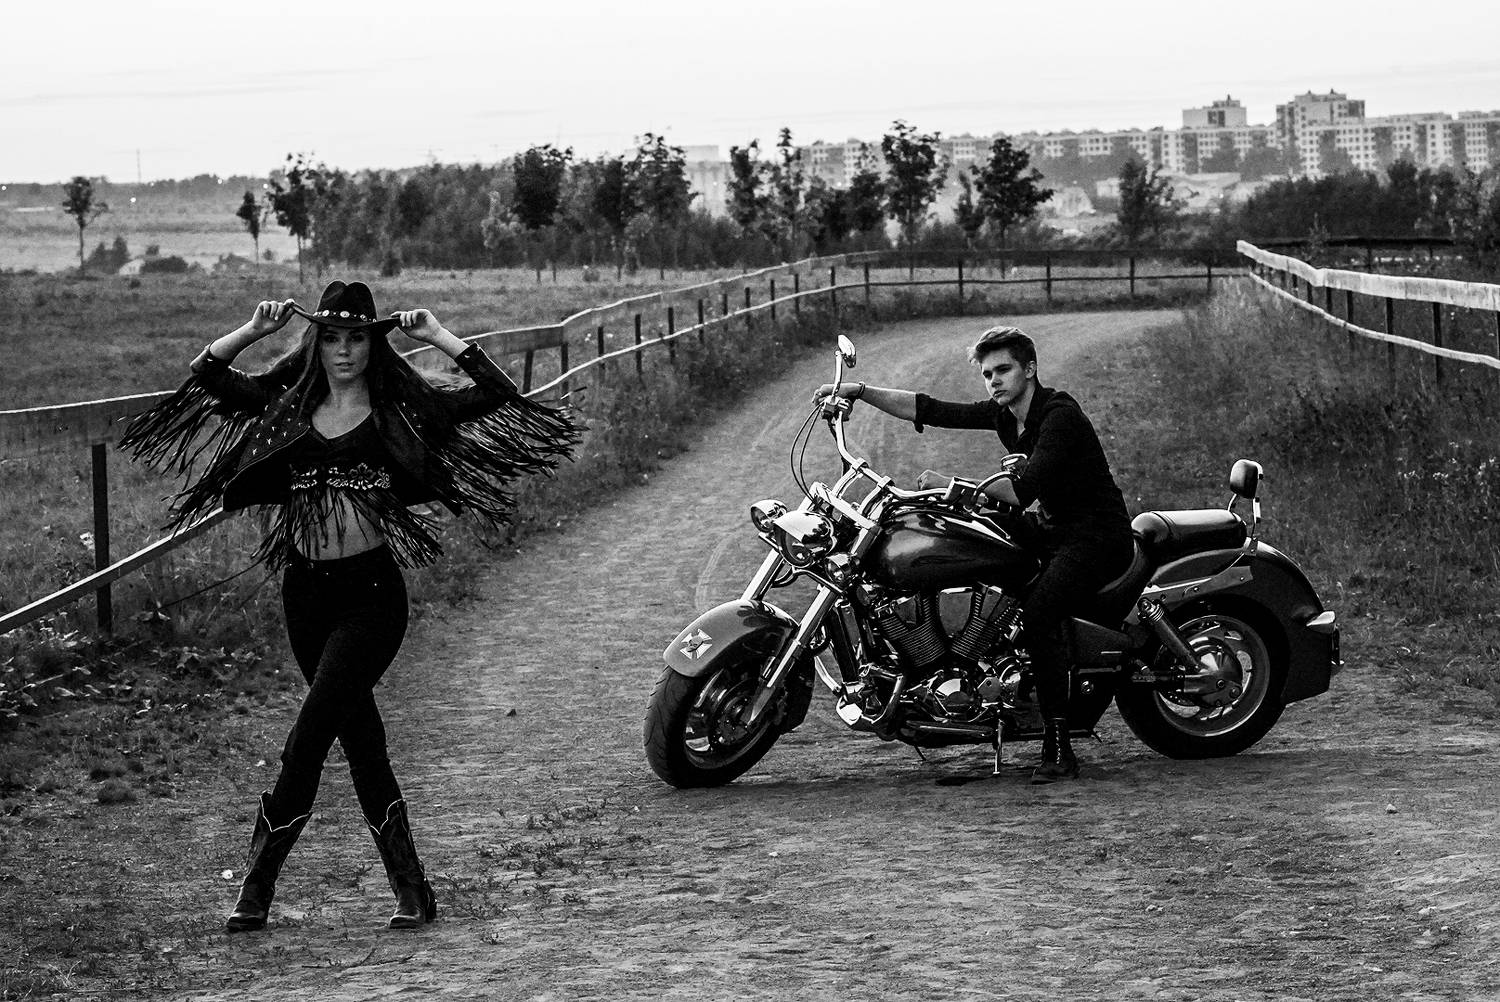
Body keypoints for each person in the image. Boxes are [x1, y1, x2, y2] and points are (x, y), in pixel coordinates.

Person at [122, 281, 578, 930]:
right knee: (362, 742)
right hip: (305, 596)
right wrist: (253, 331)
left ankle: (255, 888)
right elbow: (208, 375)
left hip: (372, 597)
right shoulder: (286, 405)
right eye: (331, 337)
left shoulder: (400, 411)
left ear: (372, 344)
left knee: (309, 735)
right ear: (316, 342)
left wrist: (439, 336)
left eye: (356, 338)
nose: (343, 350)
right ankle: (412, 890)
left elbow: (497, 393)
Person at [814, 325, 1132, 784]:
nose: (994, 381)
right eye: (987, 374)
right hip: (1053, 528)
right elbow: (932, 409)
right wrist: (860, 392)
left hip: (1096, 536)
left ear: (1030, 369)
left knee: (1040, 611)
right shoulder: (1007, 414)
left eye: (1003, 370)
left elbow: (1021, 491)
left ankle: (1059, 744)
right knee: (976, 545)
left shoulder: (1059, 415)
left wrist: (952, 485)